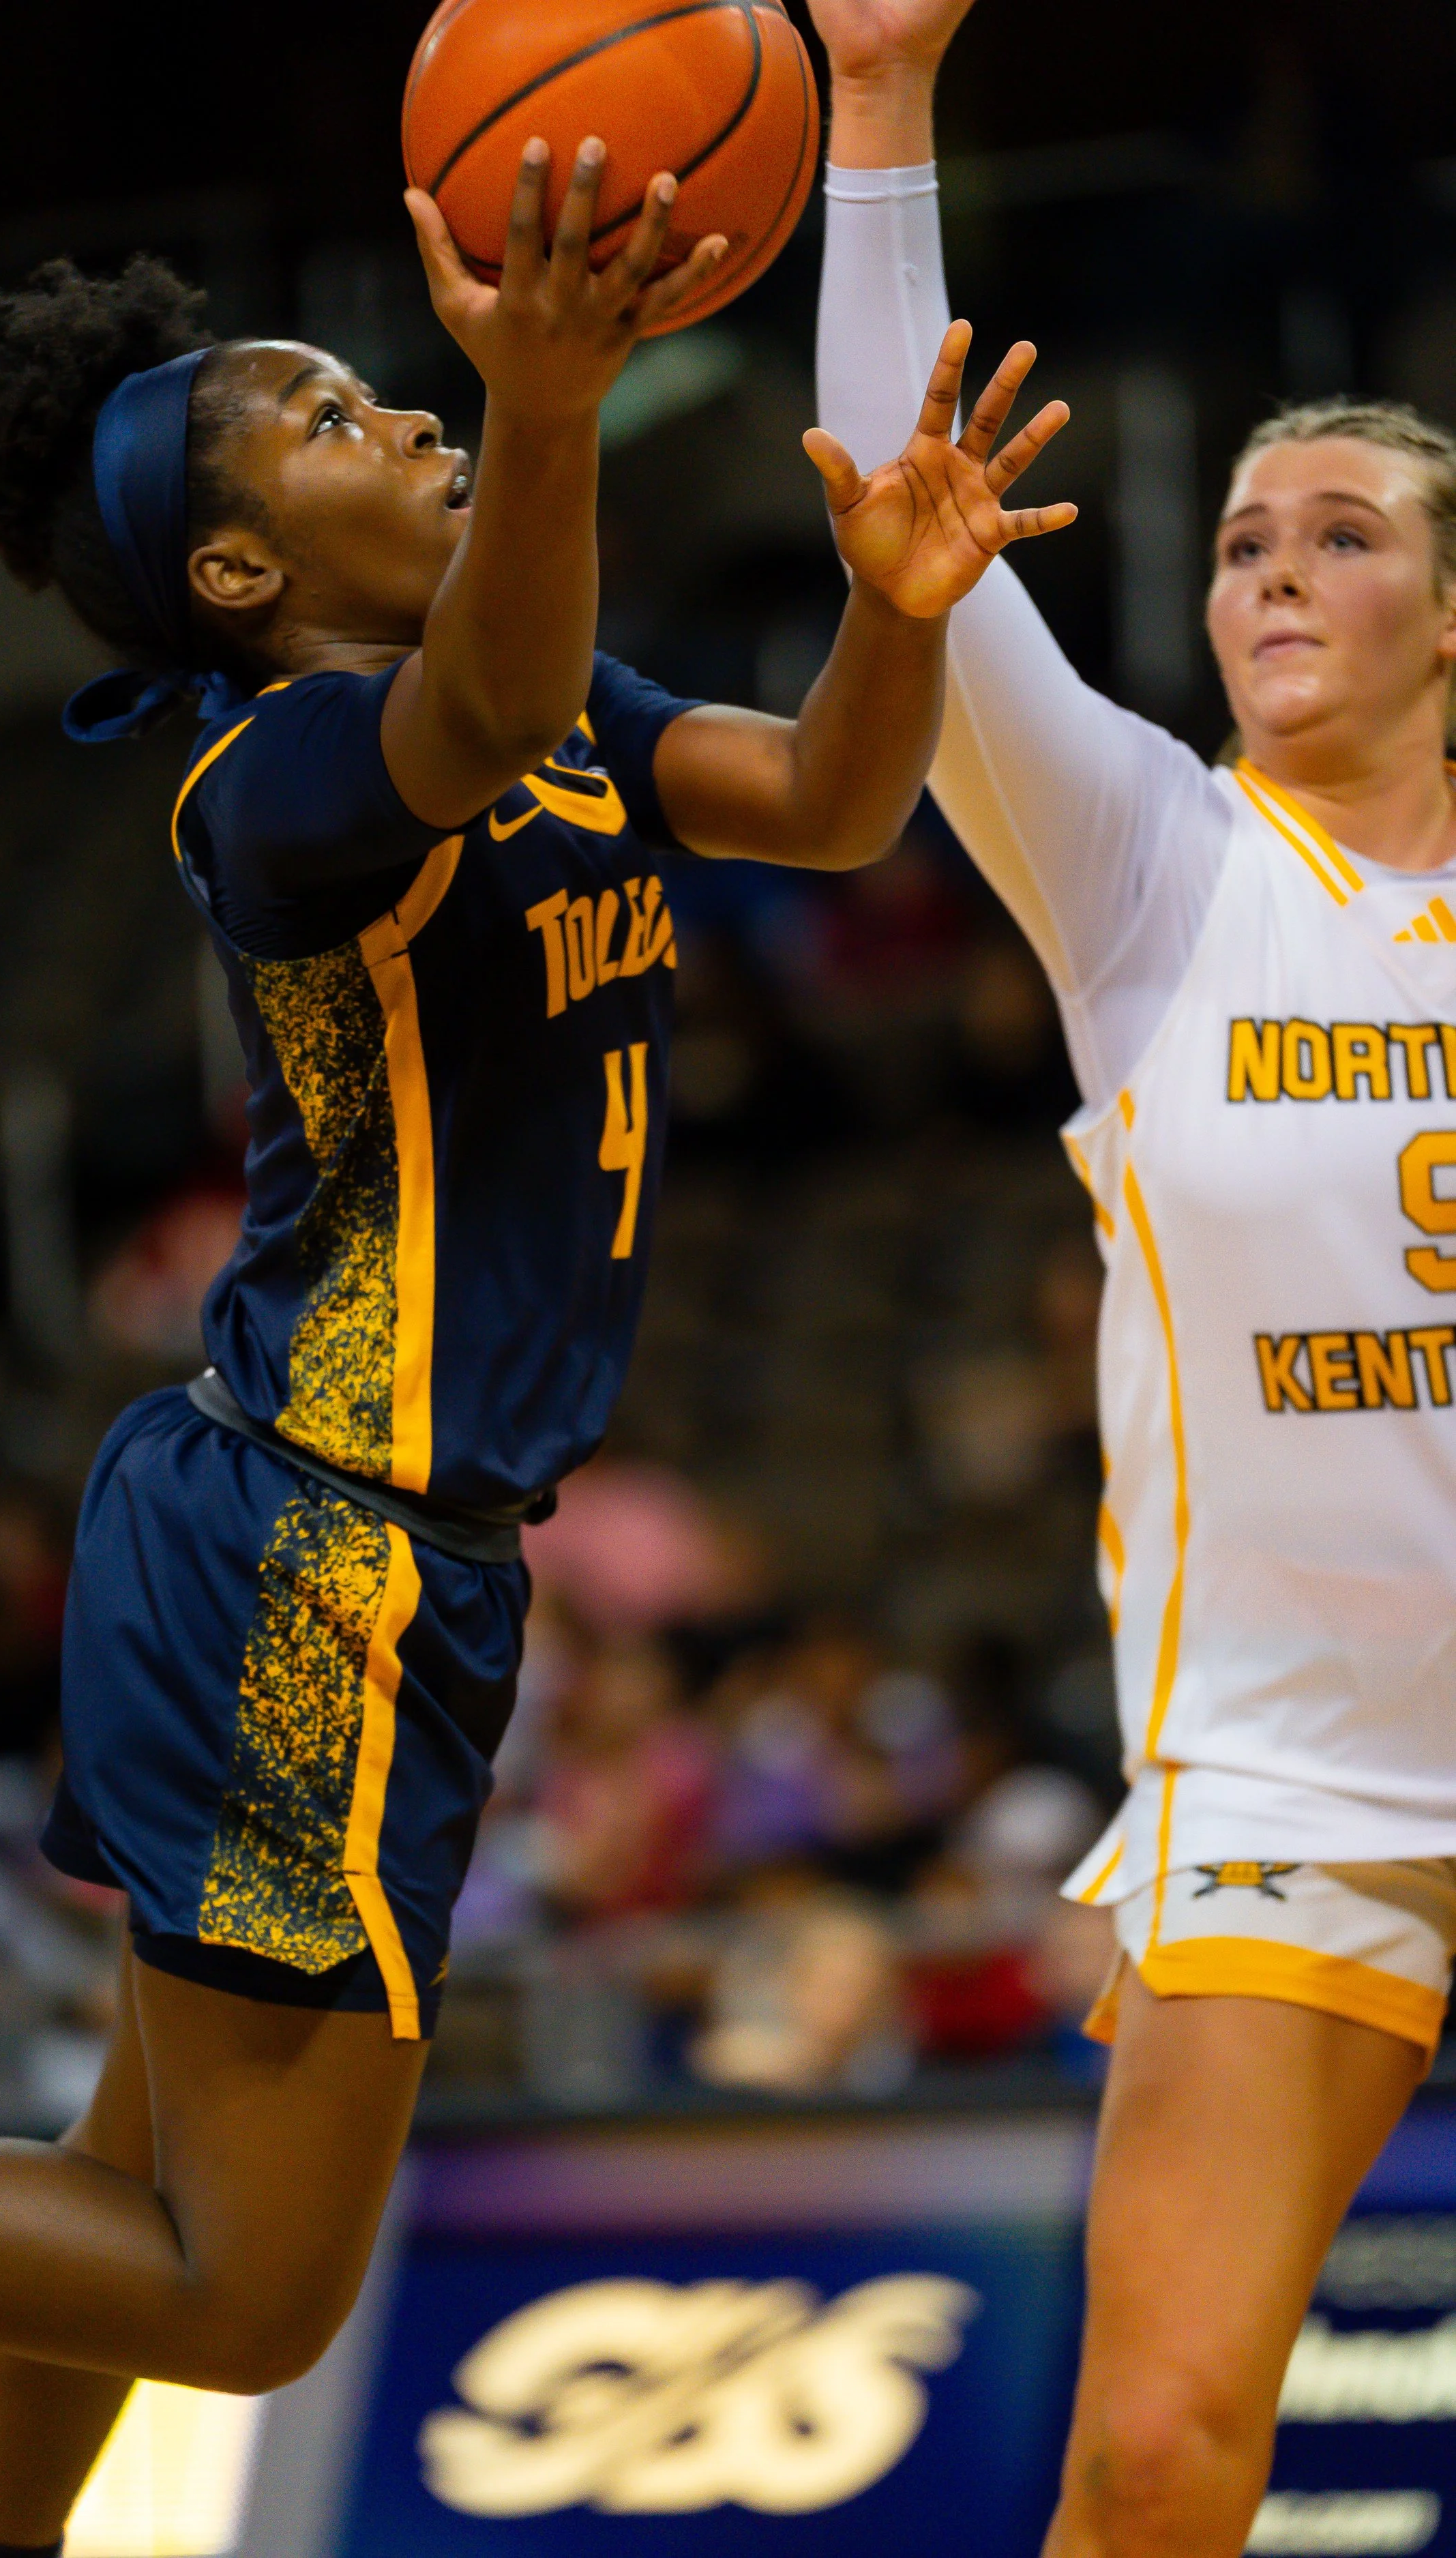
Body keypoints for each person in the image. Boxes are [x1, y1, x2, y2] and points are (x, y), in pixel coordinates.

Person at [0, 136, 1073, 2558]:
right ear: (240, 575)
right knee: (244, 2296)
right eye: (346, 417)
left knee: (125, 2168)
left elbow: (825, 795)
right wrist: (555, 401)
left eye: (410, 400)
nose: (422, 422)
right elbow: (466, 702)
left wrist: (897, 612)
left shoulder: (569, 721)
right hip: (310, 1559)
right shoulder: (281, 786)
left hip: (323, 1534)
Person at [807, 1, 1456, 2550]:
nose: (1270, 569)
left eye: (1342, 533)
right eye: (1237, 541)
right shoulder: (1157, 868)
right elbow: (910, 538)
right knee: (1160, 2447)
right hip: (1290, 1782)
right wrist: (871, 98)